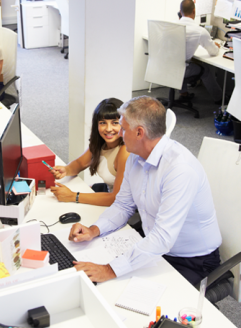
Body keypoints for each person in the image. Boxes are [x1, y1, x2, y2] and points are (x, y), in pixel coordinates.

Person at [68, 96, 222, 285]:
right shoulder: (136, 155)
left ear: (139, 132)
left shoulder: (179, 170)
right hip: (155, 246)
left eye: (123, 129)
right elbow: (123, 205)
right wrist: (94, 230)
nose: (120, 134)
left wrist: (109, 270)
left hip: (193, 261)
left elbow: (163, 237)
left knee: (130, 295)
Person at [49, 98, 129, 207]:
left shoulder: (125, 151)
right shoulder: (100, 143)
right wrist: (66, 170)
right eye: (103, 123)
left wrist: (73, 196)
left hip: (125, 205)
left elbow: (116, 198)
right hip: (108, 192)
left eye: (115, 123)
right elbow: (80, 163)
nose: (109, 129)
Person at [178, 0, 222, 103]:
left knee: (182, 61)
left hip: (165, 66)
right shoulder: (200, 31)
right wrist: (216, 45)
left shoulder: (170, 26)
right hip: (181, 69)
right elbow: (213, 52)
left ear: (180, 12)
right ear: (194, 11)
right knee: (205, 69)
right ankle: (220, 98)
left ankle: (183, 94)